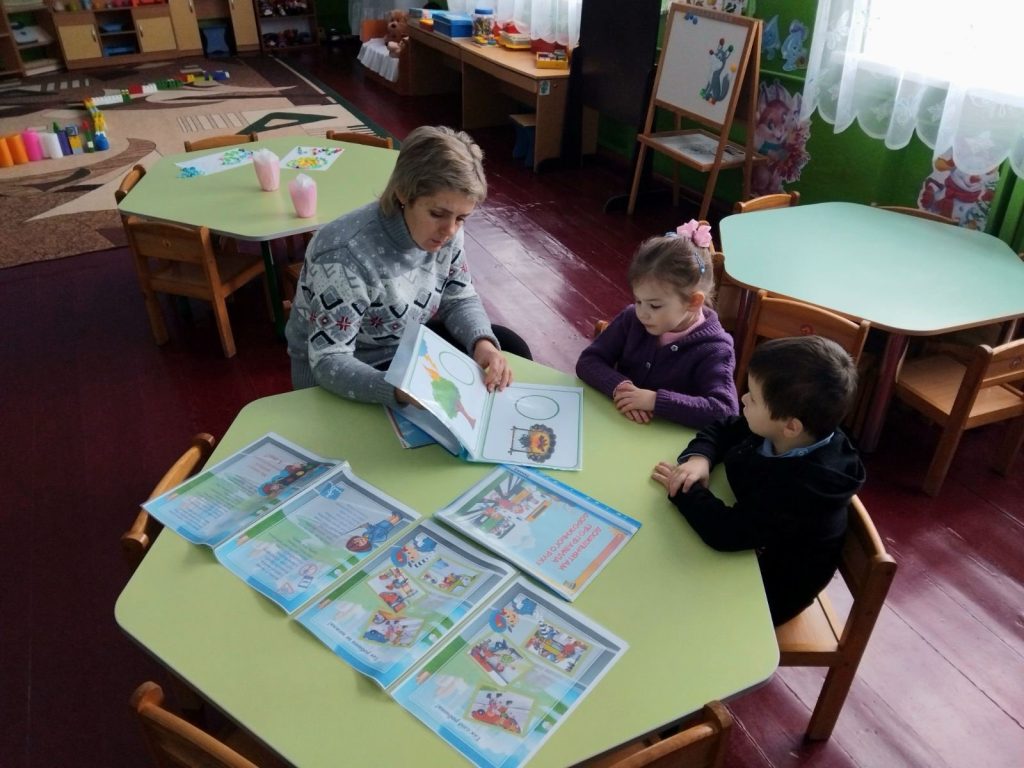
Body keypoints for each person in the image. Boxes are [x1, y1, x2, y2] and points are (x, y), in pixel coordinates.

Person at [285, 125, 531, 407]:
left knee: (507, 345)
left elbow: (458, 296)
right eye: (437, 213)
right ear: (402, 193)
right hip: (341, 372)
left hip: (403, 346)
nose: (450, 230)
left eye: (462, 218)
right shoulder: (344, 254)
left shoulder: (446, 230)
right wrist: (399, 390)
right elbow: (329, 360)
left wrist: (482, 343)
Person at [651, 335, 866, 626]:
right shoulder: (793, 431)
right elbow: (725, 428)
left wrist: (683, 490)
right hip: (752, 550)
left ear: (791, 426)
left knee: (661, 600)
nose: (743, 398)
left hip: (767, 595)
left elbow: (726, 532)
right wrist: (700, 458)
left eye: (753, 397)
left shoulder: (802, 489)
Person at [575, 220, 738, 427]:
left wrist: (654, 401)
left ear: (693, 302)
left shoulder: (715, 349)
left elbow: (725, 412)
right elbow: (589, 361)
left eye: (654, 306)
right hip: (618, 425)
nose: (642, 313)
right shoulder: (631, 318)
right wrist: (621, 388)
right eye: (638, 301)